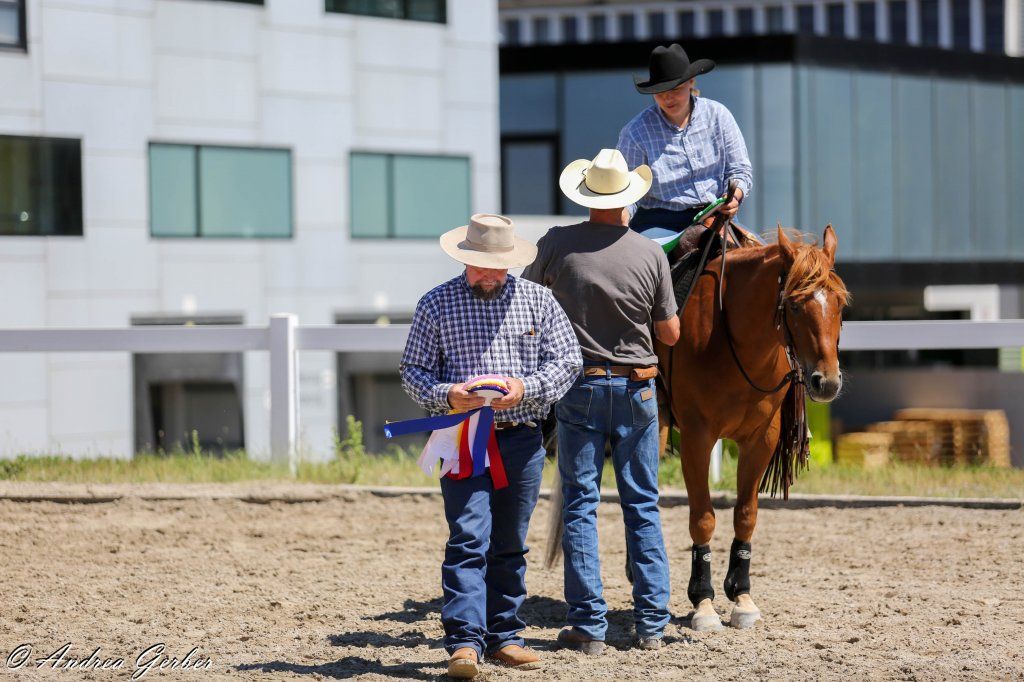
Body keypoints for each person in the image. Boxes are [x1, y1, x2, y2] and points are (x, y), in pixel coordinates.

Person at [400, 213, 582, 679]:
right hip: (460, 434)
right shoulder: (435, 304)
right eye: (479, 266)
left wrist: (527, 388)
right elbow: (413, 371)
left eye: (495, 267)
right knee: (467, 535)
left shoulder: (538, 301)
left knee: (509, 541)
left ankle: (505, 636)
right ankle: (464, 641)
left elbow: (568, 361)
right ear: (464, 261)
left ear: (510, 263)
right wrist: (446, 395)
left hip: (520, 436)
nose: (487, 274)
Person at [522, 149, 681, 653]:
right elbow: (671, 334)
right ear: (628, 200)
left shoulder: (556, 244)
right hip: (637, 388)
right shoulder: (650, 253)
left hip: (580, 387)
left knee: (581, 504)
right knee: (643, 504)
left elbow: (528, 303)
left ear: (587, 195)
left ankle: (589, 624)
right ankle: (652, 622)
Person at [618, 43, 753, 233]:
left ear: (692, 82)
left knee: (769, 257)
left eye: (675, 90)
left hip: (717, 216)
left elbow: (740, 170)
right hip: (658, 223)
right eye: (660, 92)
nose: (667, 98)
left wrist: (734, 197)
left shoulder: (719, 116)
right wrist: (622, 214)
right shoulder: (635, 132)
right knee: (645, 261)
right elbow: (630, 191)